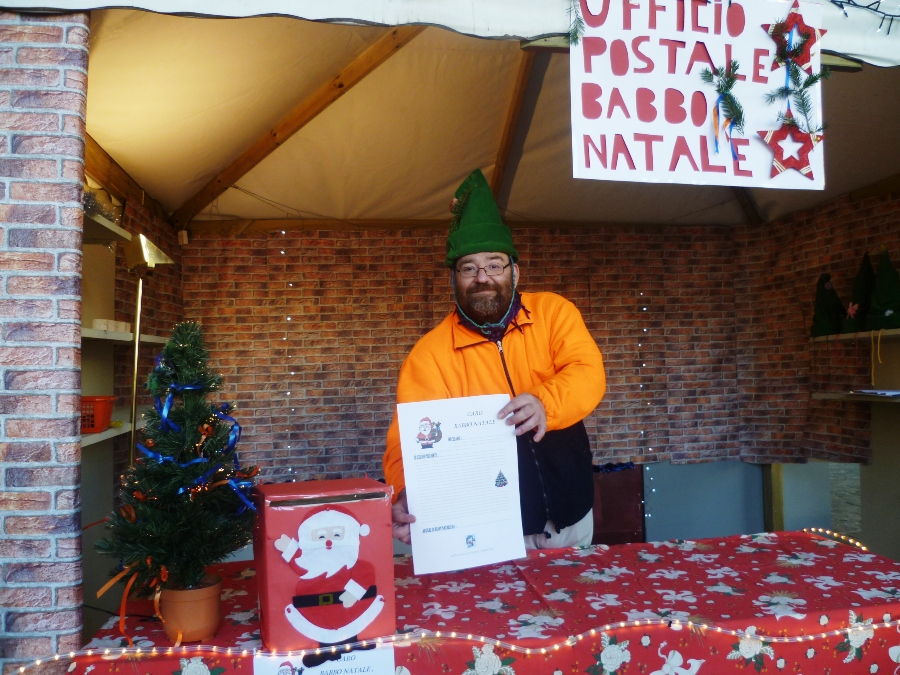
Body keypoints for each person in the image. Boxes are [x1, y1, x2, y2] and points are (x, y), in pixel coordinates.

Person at [382, 168, 606, 550]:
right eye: (468, 268)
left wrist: (545, 403)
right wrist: (406, 490)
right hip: (490, 531)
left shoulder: (555, 313)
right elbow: (408, 439)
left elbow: (588, 372)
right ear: (454, 279)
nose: (482, 277)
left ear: (514, 272)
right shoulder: (429, 355)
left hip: (573, 517)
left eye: (494, 264)